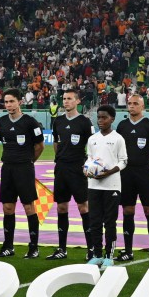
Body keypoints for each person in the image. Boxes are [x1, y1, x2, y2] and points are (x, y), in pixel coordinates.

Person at [0, 90, 45, 259]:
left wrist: (29, 162)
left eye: (12, 101)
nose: (8, 105)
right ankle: (8, 246)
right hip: (7, 168)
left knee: (28, 207)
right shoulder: (1, 122)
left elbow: (39, 146)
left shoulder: (30, 122)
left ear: (20, 102)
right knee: (7, 207)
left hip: (24, 168)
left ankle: (34, 247)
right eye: (6, 102)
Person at [115, 91, 149, 263]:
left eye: (136, 104)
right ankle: (128, 250)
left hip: (144, 174)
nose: (132, 106)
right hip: (126, 174)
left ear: (142, 106)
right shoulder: (122, 126)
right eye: (130, 104)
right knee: (127, 210)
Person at [47, 88, 93, 262]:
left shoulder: (84, 122)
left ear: (78, 101)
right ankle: (61, 249)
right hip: (61, 168)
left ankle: (91, 249)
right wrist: (59, 158)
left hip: (78, 168)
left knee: (83, 206)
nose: (66, 101)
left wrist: (88, 164)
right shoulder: (58, 121)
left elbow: (93, 144)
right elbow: (56, 143)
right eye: (64, 98)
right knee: (61, 207)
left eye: (70, 99)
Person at [84, 105, 128, 268]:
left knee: (110, 221)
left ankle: (109, 256)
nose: (100, 120)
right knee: (94, 221)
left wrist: (108, 172)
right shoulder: (92, 139)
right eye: (99, 117)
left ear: (112, 119)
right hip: (94, 185)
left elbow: (123, 161)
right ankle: (96, 254)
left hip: (112, 186)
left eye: (104, 117)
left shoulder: (118, 139)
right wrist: (87, 169)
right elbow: (89, 158)